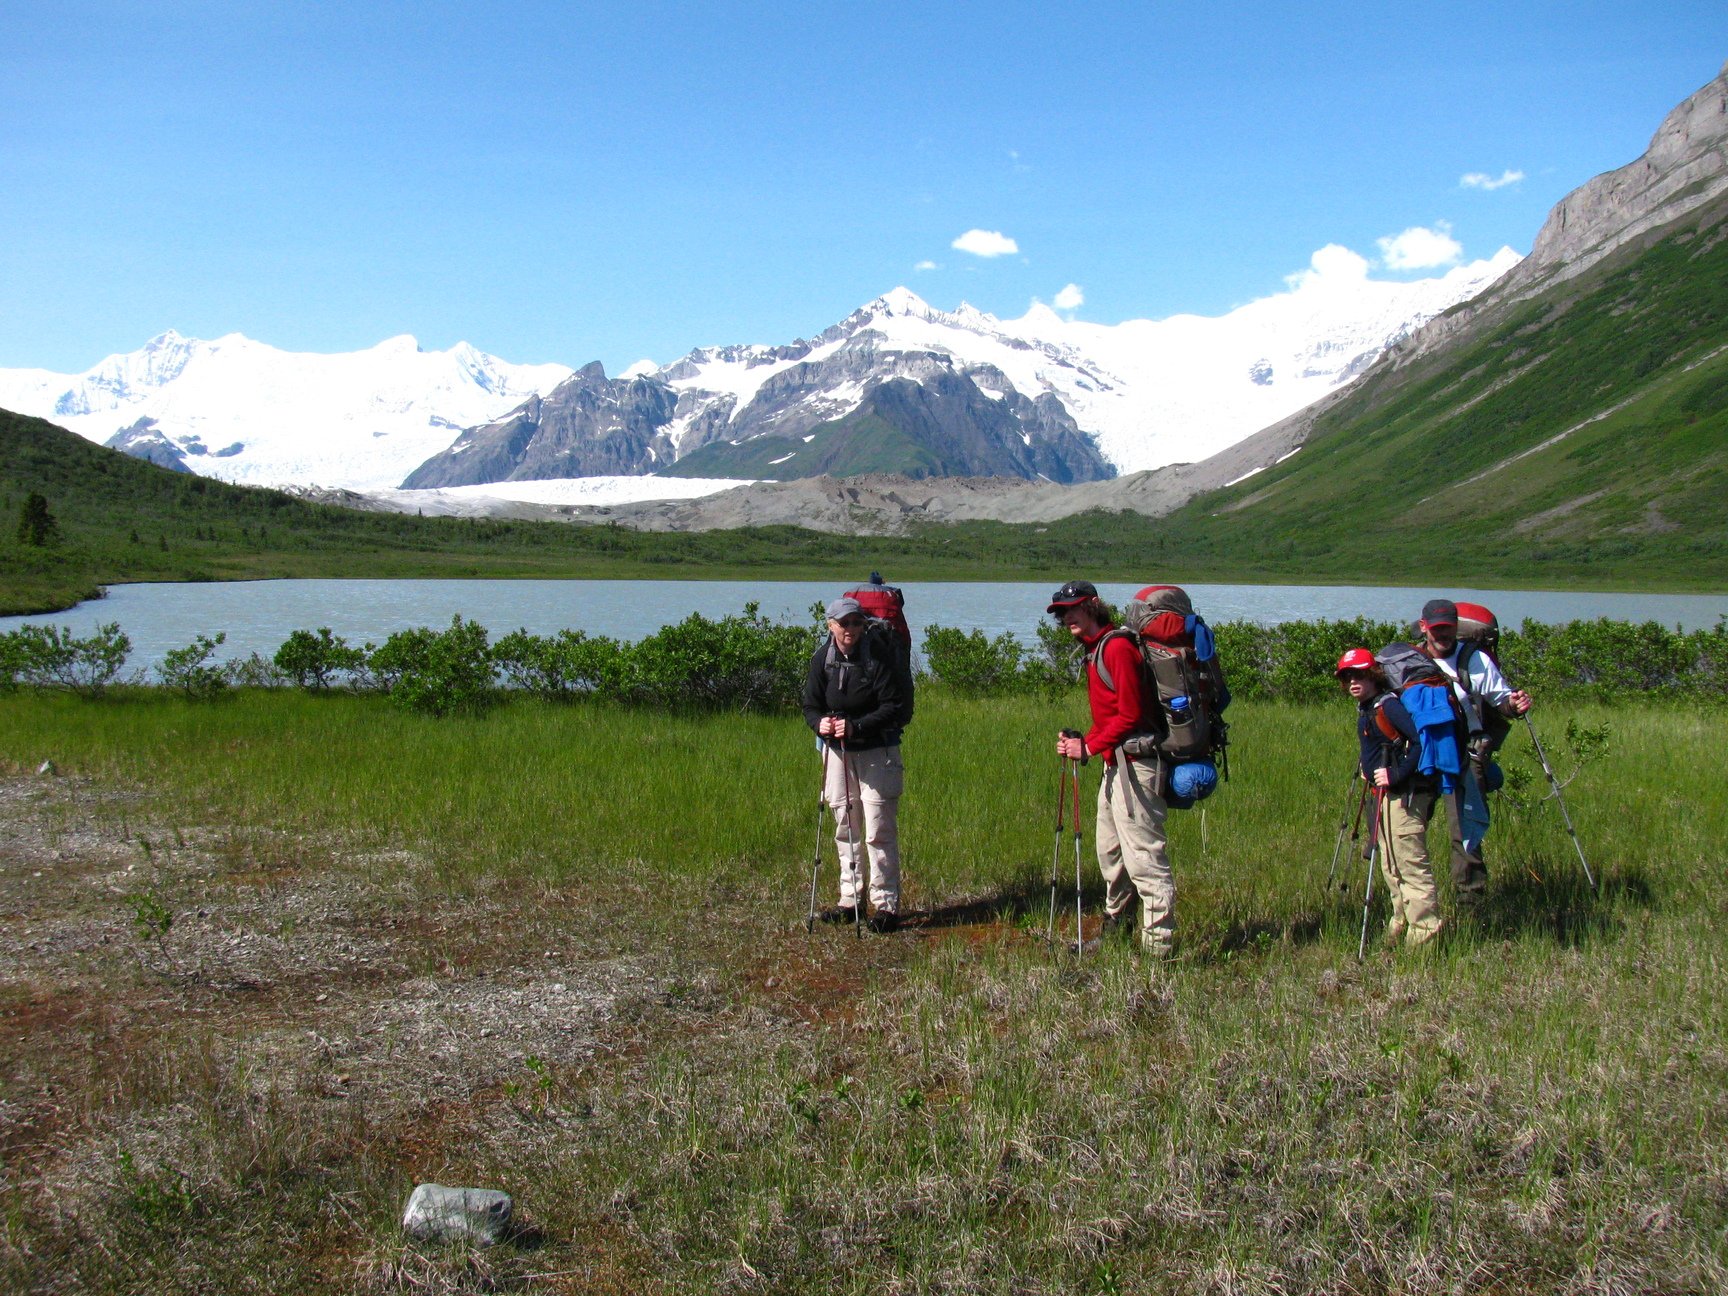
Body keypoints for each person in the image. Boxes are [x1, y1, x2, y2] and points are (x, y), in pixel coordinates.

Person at [1048, 579, 1175, 958]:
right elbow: (1112, 717)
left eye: (1074, 608)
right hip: (1115, 766)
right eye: (1061, 612)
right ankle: (1118, 933)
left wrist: (1087, 745)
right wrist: (1085, 743)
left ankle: (1159, 950)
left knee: (1145, 860)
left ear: (1093, 607)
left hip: (1138, 768)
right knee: (1111, 856)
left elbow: (1132, 714)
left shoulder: (1116, 647)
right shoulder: (1095, 650)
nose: (1067, 616)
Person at [802, 596, 909, 933]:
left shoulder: (878, 657)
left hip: (878, 751)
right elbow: (810, 705)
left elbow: (892, 706)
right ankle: (850, 900)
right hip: (837, 753)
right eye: (844, 623)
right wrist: (819, 723)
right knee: (845, 825)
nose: (851, 629)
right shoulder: (824, 658)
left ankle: (885, 907)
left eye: (856, 622)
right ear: (830, 625)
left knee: (878, 829)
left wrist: (856, 726)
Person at [1415, 598, 1532, 903]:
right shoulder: (1411, 660)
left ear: (1456, 627)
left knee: (1466, 831)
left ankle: (1471, 900)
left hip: (1466, 754)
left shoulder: (1475, 660)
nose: (1443, 636)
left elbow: (1501, 700)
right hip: (1423, 754)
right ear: (1424, 627)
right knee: (1408, 828)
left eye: (1449, 629)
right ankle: (1412, 900)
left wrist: (1514, 705)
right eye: (1437, 629)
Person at [1336, 648, 1443, 948]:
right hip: (1383, 795)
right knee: (1390, 863)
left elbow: (1422, 743)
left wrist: (1396, 775)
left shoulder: (1388, 706)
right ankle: (1401, 922)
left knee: (1409, 863)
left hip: (1403, 796)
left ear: (1373, 675)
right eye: (1347, 676)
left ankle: (1425, 935)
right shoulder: (1367, 708)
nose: (1353, 681)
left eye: (1359, 674)